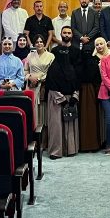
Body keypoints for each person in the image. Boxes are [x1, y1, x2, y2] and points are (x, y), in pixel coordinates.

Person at [47, 26, 82, 159]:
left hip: (71, 94)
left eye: (69, 33)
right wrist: (59, 98)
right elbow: (51, 78)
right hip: (56, 96)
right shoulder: (54, 53)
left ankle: (70, 149)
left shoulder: (76, 54)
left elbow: (78, 75)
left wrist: (75, 95)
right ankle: (56, 151)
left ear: (72, 35)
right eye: (64, 32)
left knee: (70, 123)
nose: (66, 35)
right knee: (56, 125)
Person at [80, 34, 106, 152]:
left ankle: (92, 144)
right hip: (85, 91)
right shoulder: (84, 61)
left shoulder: (94, 60)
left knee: (93, 117)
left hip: (91, 90)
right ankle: (88, 144)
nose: (86, 53)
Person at [25, 37, 55, 128]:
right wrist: (29, 77)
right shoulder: (30, 55)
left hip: (44, 85)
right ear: (34, 44)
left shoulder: (51, 56)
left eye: (41, 42)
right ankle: (33, 131)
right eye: (37, 42)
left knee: (44, 109)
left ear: (44, 43)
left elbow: (52, 72)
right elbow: (25, 70)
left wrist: (39, 79)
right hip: (31, 85)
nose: (39, 44)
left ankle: (44, 133)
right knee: (32, 109)